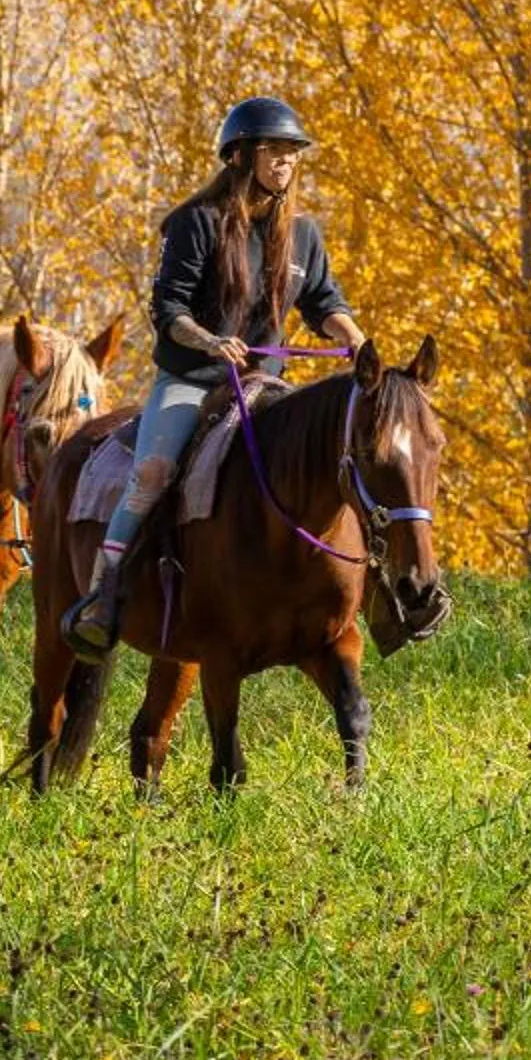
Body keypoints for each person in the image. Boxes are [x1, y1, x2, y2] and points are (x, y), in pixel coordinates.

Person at [61, 96, 365, 660]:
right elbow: (169, 311)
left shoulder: (302, 235)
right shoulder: (195, 223)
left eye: (292, 154)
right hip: (194, 380)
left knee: (337, 464)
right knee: (152, 472)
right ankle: (104, 593)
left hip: (265, 389)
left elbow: (324, 301)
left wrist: (352, 333)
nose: (285, 163)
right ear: (240, 156)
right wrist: (210, 341)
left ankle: (380, 593)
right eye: (273, 151)